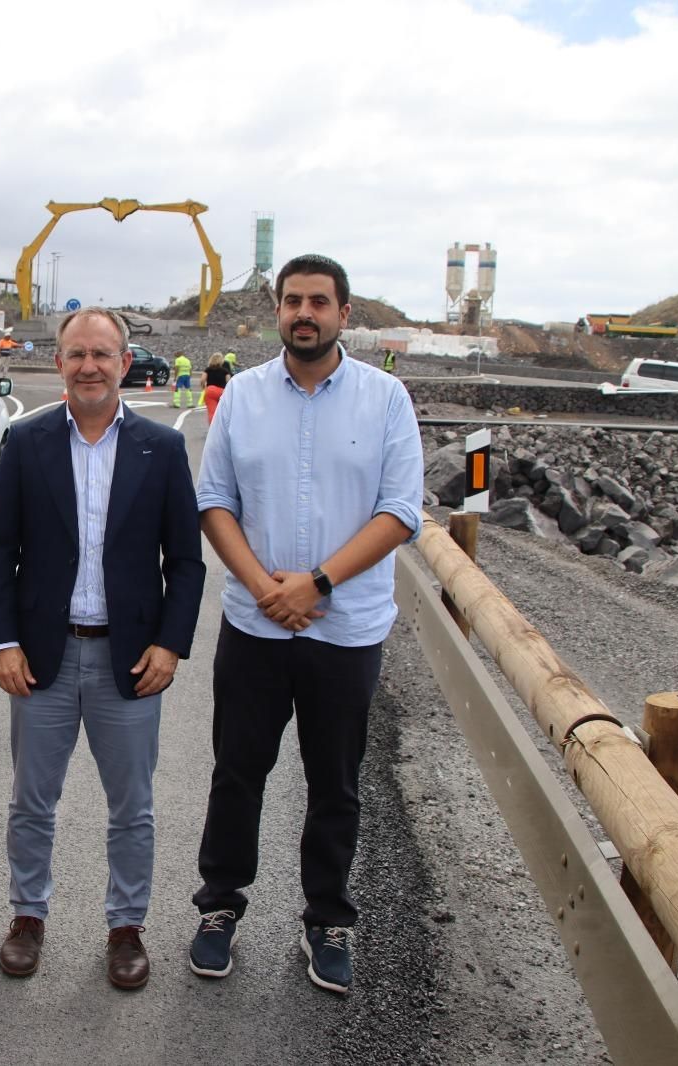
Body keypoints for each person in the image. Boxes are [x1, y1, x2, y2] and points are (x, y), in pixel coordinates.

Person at [186, 254, 424, 994]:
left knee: (336, 784)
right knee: (237, 774)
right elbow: (215, 501)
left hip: (344, 631)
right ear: (278, 312)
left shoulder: (387, 400)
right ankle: (219, 905)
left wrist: (318, 582)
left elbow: (400, 512)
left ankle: (327, 918)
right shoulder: (246, 397)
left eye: (319, 301)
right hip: (255, 629)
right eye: (292, 301)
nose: (304, 313)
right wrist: (263, 586)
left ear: (345, 313)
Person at [0, 306, 205, 990]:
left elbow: (187, 563)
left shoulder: (161, 450)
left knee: (131, 807)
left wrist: (170, 646)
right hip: (45, 658)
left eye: (102, 355)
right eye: (76, 354)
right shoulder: (26, 442)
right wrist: (4, 641)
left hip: (130, 662)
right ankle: (27, 917)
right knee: (31, 802)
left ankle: (126, 929)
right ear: (58, 363)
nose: (89, 367)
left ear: (125, 362)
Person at [202, 352, 230, 424]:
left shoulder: (207, 370)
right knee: (223, 411)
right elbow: (229, 382)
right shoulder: (225, 371)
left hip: (210, 391)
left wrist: (203, 387)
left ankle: (212, 430)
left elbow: (202, 380)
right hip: (222, 392)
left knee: (212, 412)